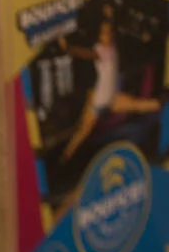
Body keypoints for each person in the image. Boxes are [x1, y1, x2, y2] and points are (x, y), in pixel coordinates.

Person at [59, 11, 159, 163]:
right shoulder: (100, 50)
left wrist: (110, 15)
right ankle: (64, 157)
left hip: (112, 99)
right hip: (99, 101)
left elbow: (111, 28)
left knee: (138, 105)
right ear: (100, 36)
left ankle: (164, 102)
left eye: (108, 33)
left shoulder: (112, 47)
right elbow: (85, 54)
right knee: (83, 131)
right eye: (104, 34)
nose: (107, 36)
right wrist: (69, 49)